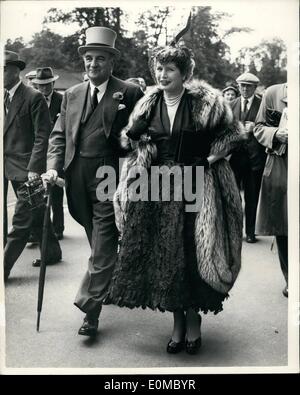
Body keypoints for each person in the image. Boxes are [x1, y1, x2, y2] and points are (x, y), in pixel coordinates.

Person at [106, 43, 243, 354]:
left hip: (197, 185)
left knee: (193, 256)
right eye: (159, 68)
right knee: (167, 257)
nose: (162, 74)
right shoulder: (148, 104)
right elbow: (132, 141)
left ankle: (194, 322)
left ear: (184, 73)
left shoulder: (206, 103)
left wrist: (207, 161)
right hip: (157, 191)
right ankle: (177, 322)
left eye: (170, 69)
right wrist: (140, 141)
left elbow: (232, 136)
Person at [45, 27, 144, 336]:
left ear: (111, 61)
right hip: (76, 177)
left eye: (100, 59)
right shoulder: (72, 94)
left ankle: (90, 310)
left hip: (110, 175)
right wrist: (52, 168)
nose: (93, 64)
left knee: (101, 245)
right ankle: (106, 285)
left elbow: (144, 134)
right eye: (89, 58)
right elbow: (59, 136)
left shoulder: (128, 91)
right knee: (96, 239)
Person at [3, 50, 62, 282]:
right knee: (36, 212)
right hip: (6, 166)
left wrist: (34, 168)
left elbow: (43, 136)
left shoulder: (33, 97)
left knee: (20, 220)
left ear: (16, 71)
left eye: (3, 69)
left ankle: (3, 269)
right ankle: (53, 252)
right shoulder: (3, 96)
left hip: (28, 168)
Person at [254, 83, 288, 297]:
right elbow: (258, 127)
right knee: (283, 224)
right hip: (280, 164)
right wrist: (276, 133)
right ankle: (291, 278)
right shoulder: (273, 93)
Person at [229, 72, 266, 243]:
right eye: (242, 85)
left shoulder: (262, 105)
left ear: (255, 87)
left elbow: (270, 128)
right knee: (234, 198)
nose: (244, 89)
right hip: (235, 159)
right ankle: (236, 232)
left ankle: (250, 232)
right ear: (238, 86)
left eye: (248, 86)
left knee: (252, 198)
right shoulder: (230, 105)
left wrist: (256, 129)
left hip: (255, 160)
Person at [32, 67, 64, 240]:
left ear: (53, 83)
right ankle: (42, 231)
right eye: (40, 85)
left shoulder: (62, 99)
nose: (43, 88)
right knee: (39, 193)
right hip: (39, 152)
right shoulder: (35, 100)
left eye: (46, 85)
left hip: (57, 152)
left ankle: (58, 228)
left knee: (57, 192)